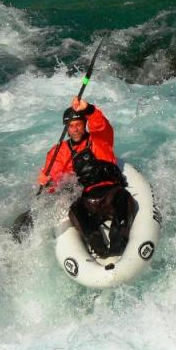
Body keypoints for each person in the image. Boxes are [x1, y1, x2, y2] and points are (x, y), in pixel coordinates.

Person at [37, 97, 136, 257]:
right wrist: (48, 182)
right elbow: (55, 180)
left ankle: (119, 241)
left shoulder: (100, 139)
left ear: (85, 124)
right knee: (76, 208)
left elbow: (100, 124)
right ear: (66, 128)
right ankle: (97, 245)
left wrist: (88, 109)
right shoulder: (59, 152)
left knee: (122, 197)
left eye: (78, 124)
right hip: (87, 200)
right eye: (71, 126)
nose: (75, 129)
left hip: (111, 193)